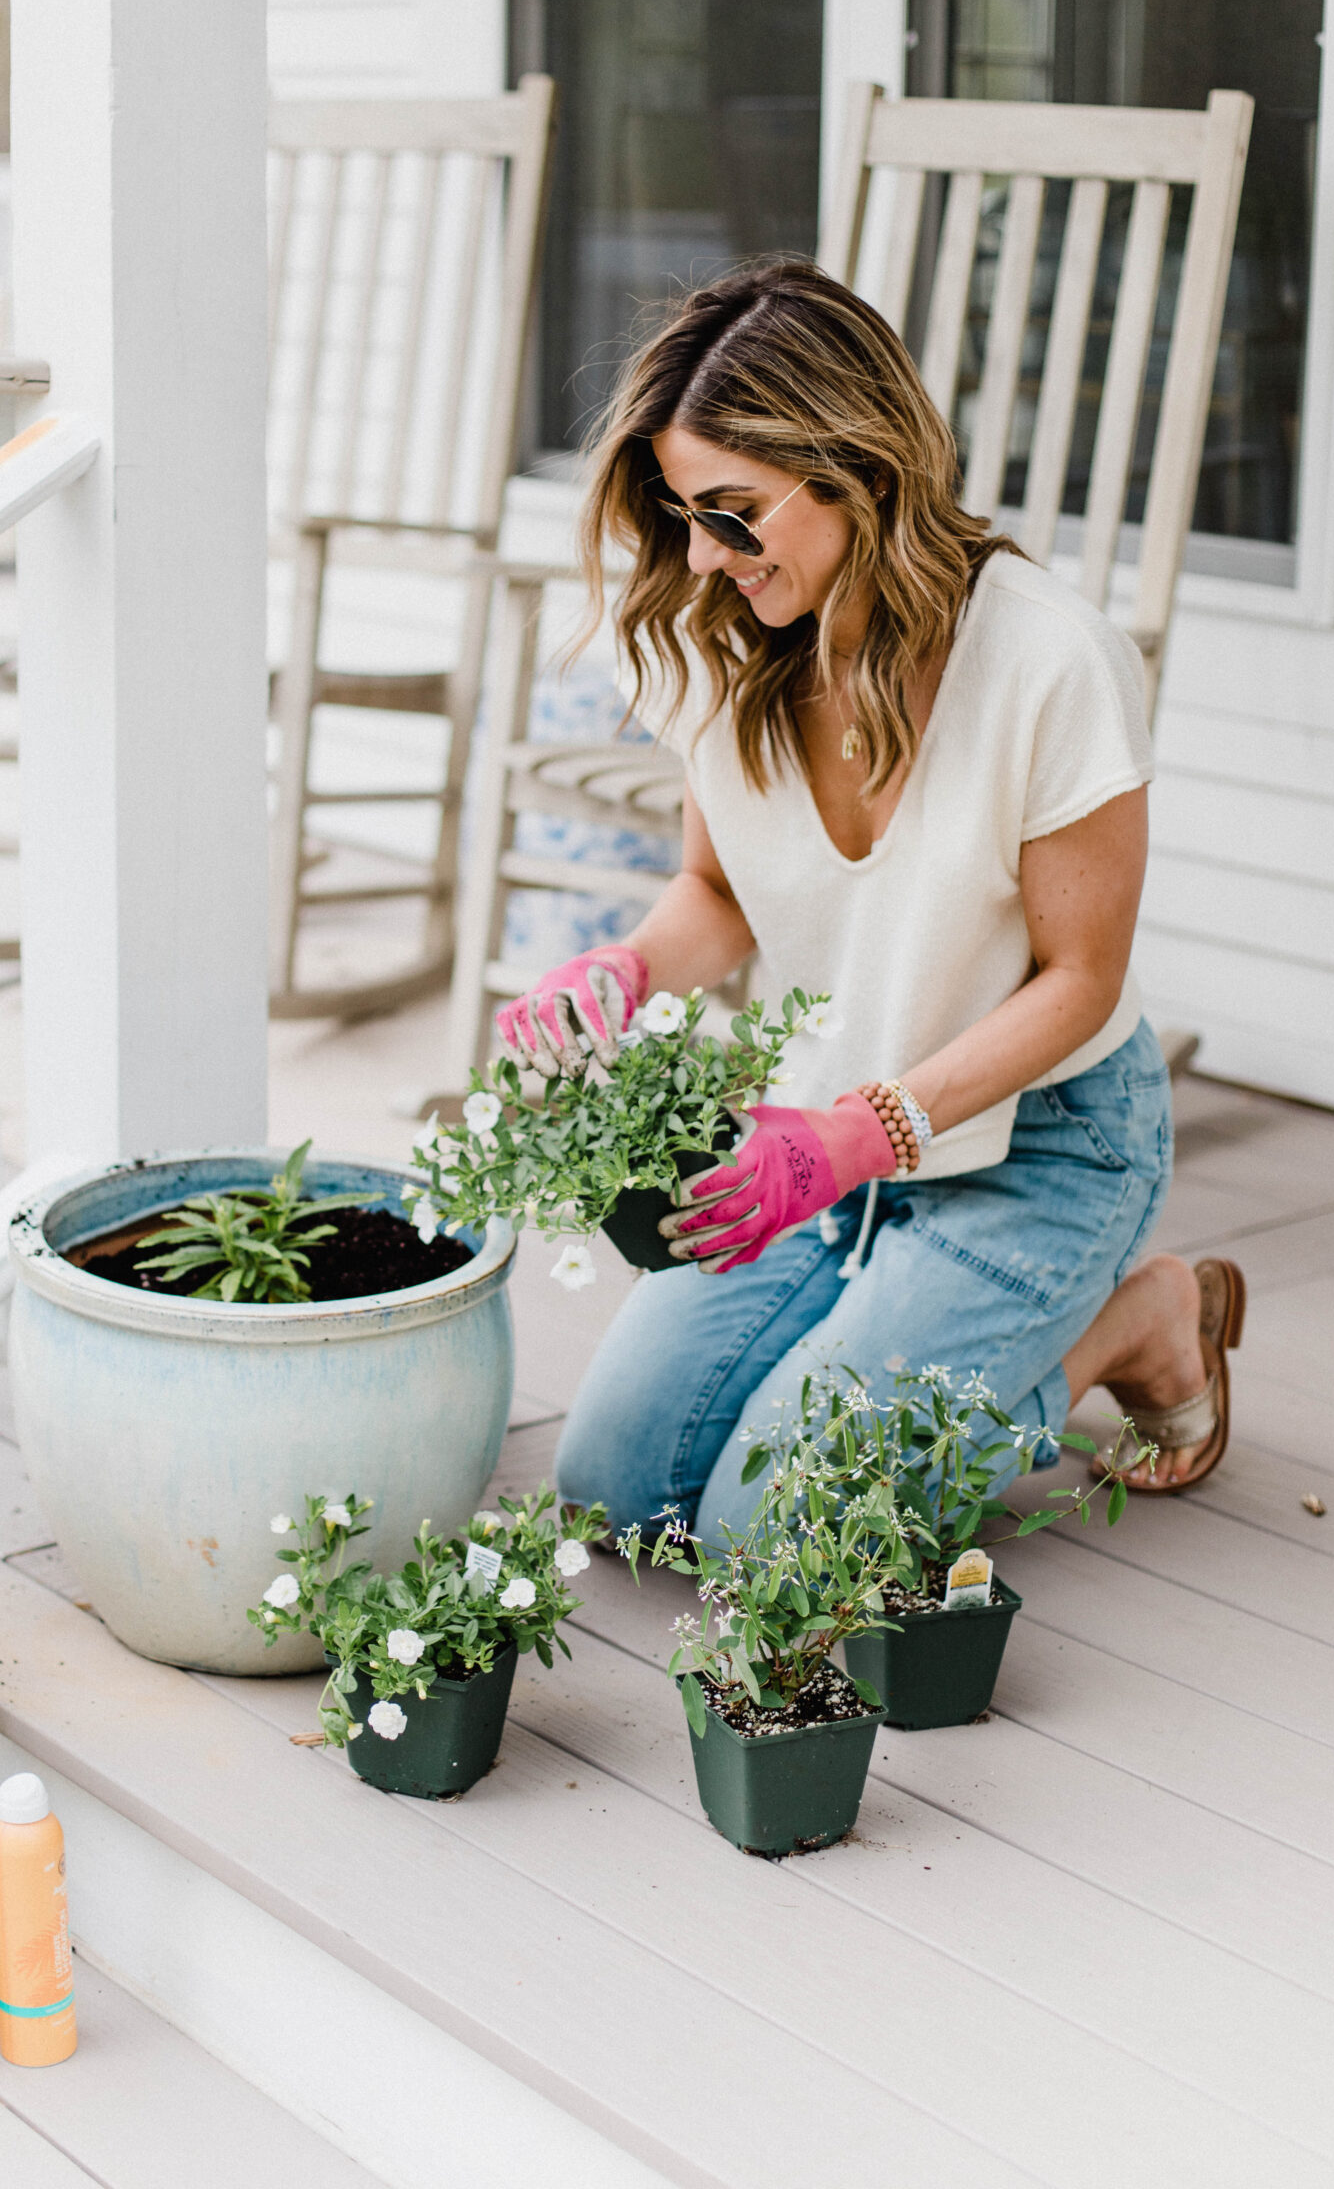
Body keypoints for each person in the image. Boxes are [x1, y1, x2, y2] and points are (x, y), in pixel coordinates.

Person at [498, 257, 1243, 1543]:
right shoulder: (732, 650)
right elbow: (715, 890)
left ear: (865, 473)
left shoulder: (1047, 662)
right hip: (819, 1137)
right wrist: (620, 972)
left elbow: (1083, 977)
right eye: (684, 514)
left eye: (734, 513)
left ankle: (1136, 1321)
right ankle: (927, 1328)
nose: (703, 555)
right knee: (614, 1485)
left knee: (775, 1529)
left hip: (1039, 1142)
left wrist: (864, 1132)